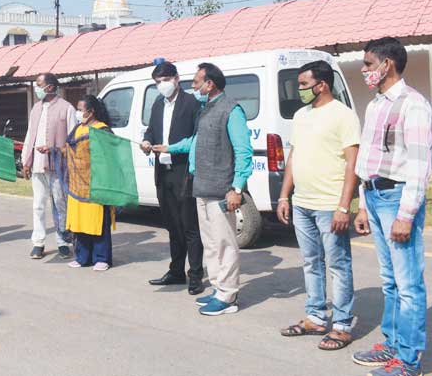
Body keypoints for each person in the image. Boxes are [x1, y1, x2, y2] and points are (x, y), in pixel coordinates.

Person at [350, 38, 432, 376]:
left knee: (408, 284)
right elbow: (368, 159)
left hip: (397, 199)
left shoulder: (413, 104)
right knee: (390, 280)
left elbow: (419, 165)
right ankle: (393, 344)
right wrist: (362, 205)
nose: (364, 70)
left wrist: (406, 215)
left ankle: (409, 360)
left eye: (369, 64)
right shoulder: (375, 105)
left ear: (388, 64)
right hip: (374, 196)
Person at [156, 62, 253, 316]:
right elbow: (195, 142)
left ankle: (228, 296)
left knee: (225, 243)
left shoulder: (231, 110)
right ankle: (219, 288)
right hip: (201, 187)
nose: (193, 86)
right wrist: (169, 148)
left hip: (221, 190)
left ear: (210, 84)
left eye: (197, 81)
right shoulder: (205, 109)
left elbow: (244, 152)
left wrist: (237, 188)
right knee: (210, 244)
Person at [276, 60, 361, 351]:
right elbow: (293, 157)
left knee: (338, 264)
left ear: (321, 85)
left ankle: (342, 325)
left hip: (329, 205)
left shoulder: (343, 116)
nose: (299, 90)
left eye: (303, 84)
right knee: (311, 262)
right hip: (302, 203)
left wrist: (343, 206)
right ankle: (315, 317)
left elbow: (352, 164)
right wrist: (284, 196)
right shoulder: (301, 116)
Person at [140, 61, 204, 294]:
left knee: (190, 226)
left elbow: (197, 138)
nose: (162, 85)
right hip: (163, 171)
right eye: (158, 82)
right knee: (172, 226)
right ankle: (176, 271)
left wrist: (172, 148)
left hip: (183, 171)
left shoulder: (192, 103)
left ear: (176, 78)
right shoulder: (158, 104)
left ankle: (195, 274)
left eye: (165, 80)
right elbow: (151, 130)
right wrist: (147, 142)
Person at [22, 72, 77, 260]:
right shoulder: (36, 108)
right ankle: (38, 243)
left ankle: (63, 241)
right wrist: (26, 161)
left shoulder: (66, 108)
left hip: (58, 166)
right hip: (37, 165)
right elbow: (29, 135)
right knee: (38, 205)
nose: (36, 88)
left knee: (60, 204)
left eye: (39, 85)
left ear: (51, 87)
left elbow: (73, 140)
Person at [64, 95, 115, 271]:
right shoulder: (78, 128)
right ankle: (82, 257)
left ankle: (102, 258)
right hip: (77, 185)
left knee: (97, 222)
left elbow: (109, 157)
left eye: (80, 109)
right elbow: (70, 150)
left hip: (96, 185)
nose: (78, 113)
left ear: (91, 112)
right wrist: (53, 150)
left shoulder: (102, 130)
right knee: (80, 222)